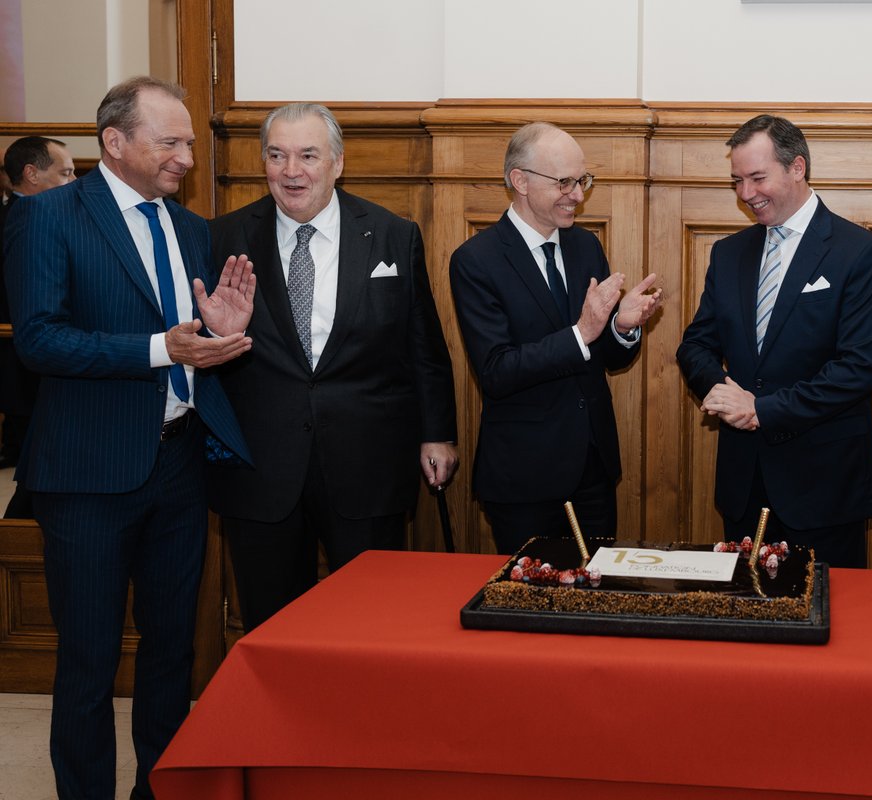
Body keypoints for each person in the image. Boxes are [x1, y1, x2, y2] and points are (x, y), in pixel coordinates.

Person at [3, 76, 255, 800]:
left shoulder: (190, 229)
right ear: (114, 142)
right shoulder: (47, 217)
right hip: (86, 474)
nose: (185, 156)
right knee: (87, 660)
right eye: (169, 141)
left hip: (179, 465)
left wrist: (221, 335)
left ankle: (161, 789)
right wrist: (160, 350)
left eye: (187, 142)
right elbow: (41, 341)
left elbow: (191, 336)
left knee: (173, 650)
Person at [208, 102, 459, 632]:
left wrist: (438, 435)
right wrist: (217, 335)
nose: (291, 170)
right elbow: (201, 349)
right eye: (277, 155)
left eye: (307, 155)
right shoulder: (221, 238)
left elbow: (424, 347)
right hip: (260, 468)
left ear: (337, 162)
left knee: (369, 624)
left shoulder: (393, 234)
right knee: (270, 627)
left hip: (367, 463)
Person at [677, 114, 872, 569]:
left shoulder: (860, 251)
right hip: (744, 485)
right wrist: (722, 391)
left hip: (825, 489)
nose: (746, 193)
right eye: (737, 181)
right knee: (745, 624)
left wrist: (760, 410)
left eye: (757, 177)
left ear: (797, 167)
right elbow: (695, 345)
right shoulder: (728, 252)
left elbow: (858, 368)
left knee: (828, 626)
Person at [449, 122, 662, 554]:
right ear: (520, 181)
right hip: (524, 478)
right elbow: (496, 371)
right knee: (530, 607)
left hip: (593, 469)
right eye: (564, 182)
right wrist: (581, 332)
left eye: (582, 181)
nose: (578, 195)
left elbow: (603, 358)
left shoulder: (585, 246)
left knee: (599, 600)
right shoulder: (476, 261)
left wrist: (621, 328)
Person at [1, 137, 76, 497]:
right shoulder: (29, 217)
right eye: (66, 173)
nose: (74, 182)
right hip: (27, 360)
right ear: (32, 174)